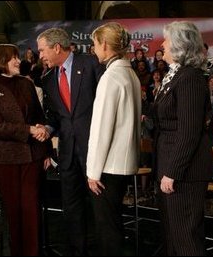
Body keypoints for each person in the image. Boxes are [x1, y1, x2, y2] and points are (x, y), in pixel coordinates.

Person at [36, 27, 104, 255]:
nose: (40, 56)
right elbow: (54, 116)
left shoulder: (91, 64)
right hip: (67, 154)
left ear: (56, 47)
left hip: (94, 151)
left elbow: (105, 107)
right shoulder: (47, 78)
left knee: (100, 207)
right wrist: (47, 128)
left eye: (42, 50)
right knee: (72, 209)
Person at [0, 44, 52, 256]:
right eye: (14, 58)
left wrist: (46, 146)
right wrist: (29, 130)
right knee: (13, 211)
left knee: (31, 210)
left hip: (33, 156)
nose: (18, 61)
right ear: (0, 61)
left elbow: (40, 117)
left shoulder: (27, 84)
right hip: (6, 159)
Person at [152, 21, 213, 255]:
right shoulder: (175, 75)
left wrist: (173, 172)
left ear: (179, 45)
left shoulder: (189, 78)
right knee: (173, 237)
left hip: (184, 173)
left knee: (186, 237)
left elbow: (189, 131)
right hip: (171, 166)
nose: (163, 45)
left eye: (166, 41)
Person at [86, 22, 141, 256]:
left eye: (95, 44)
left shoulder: (111, 77)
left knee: (107, 229)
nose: (93, 48)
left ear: (106, 45)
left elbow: (101, 129)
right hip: (124, 163)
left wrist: (92, 172)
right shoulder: (130, 74)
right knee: (113, 224)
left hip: (108, 167)